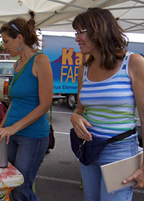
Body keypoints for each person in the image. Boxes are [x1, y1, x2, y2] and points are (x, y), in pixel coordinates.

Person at [70, 7, 144, 201]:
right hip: (89, 148)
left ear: (99, 30)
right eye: (75, 33)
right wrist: (75, 116)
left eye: (80, 32)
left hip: (120, 151)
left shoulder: (133, 63)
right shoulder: (83, 69)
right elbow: (80, 108)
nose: (76, 38)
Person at [0, 12, 53, 201]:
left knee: (21, 188)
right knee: (8, 183)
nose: (4, 46)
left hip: (32, 137)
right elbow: (14, 103)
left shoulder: (41, 60)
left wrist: (12, 128)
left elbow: (45, 105)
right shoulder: (17, 64)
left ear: (19, 38)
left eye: (6, 41)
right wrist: (0, 131)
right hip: (11, 135)